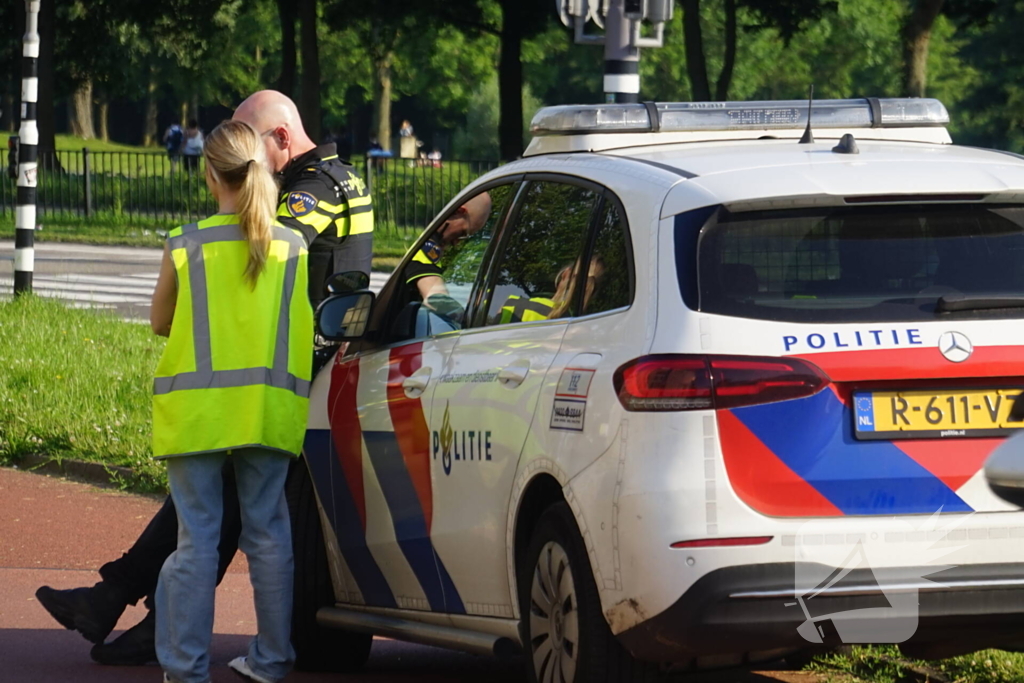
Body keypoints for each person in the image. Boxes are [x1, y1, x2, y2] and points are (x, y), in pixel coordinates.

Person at [34, 89, 373, 667]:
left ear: (279, 141)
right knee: (241, 524)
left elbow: (253, 263)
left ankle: (164, 639)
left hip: (278, 377)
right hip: (283, 381)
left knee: (209, 523)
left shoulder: (312, 192)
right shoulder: (343, 179)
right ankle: (140, 612)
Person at [149, 119, 311, 683]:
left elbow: (160, 322)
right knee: (268, 534)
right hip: (268, 411)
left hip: (197, 413)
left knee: (196, 541)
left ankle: (186, 669)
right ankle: (271, 659)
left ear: (208, 173)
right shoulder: (293, 247)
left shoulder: (186, 244)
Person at [404, 191, 491, 320]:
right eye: (462, 233)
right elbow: (436, 299)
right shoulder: (425, 243)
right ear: (459, 211)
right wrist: (469, 320)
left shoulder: (427, 234)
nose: (457, 243)